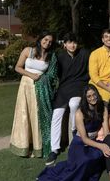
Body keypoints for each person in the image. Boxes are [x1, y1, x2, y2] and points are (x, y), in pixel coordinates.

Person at [38, 84, 110, 181]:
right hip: (80, 143)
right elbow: (84, 139)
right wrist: (102, 146)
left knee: (102, 152)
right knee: (84, 161)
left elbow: (106, 132)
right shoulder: (80, 113)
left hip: (94, 142)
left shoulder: (103, 108)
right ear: (85, 98)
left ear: (97, 94)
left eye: (94, 94)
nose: (92, 98)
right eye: (89, 96)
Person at [10, 31, 57, 158]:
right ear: (40, 38)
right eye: (46, 39)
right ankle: (24, 146)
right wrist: (31, 75)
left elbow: (51, 75)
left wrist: (43, 80)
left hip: (41, 89)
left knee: (37, 115)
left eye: (50, 41)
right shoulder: (28, 50)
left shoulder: (50, 56)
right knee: (25, 114)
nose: (47, 43)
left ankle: (38, 147)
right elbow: (18, 67)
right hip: (26, 86)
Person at [46, 32, 90, 165]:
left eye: (74, 42)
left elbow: (99, 56)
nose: (72, 45)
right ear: (64, 44)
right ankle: (54, 149)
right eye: (69, 42)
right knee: (56, 115)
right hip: (64, 89)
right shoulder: (59, 56)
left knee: (74, 103)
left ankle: (74, 129)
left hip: (79, 86)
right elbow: (51, 70)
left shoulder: (85, 53)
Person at [89, 29, 110, 102]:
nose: (109, 39)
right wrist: (108, 88)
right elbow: (93, 76)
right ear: (102, 39)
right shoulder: (95, 54)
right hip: (96, 84)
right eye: (106, 36)